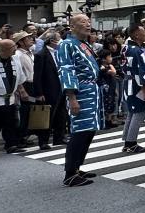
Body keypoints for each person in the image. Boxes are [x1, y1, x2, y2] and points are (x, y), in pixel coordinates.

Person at [55, 14, 104, 186]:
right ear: (72, 27)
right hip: (80, 92)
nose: (87, 25)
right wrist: (72, 97)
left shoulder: (84, 44)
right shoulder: (66, 45)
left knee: (89, 130)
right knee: (80, 131)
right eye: (82, 22)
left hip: (92, 90)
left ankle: (76, 166)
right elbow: (66, 71)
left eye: (88, 22)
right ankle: (70, 173)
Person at [0, 39, 27, 159]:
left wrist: (22, 90)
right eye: (14, 47)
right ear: (5, 49)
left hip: (10, 98)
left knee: (10, 123)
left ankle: (11, 145)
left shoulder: (15, 58)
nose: (16, 48)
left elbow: (19, 77)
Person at [33, 30, 68, 148]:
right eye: (59, 38)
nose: (61, 41)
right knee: (48, 115)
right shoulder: (41, 55)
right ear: (52, 41)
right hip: (48, 89)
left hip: (61, 87)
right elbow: (37, 76)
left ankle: (59, 137)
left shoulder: (60, 52)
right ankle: (43, 141)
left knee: (61, 114)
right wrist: (39, 93)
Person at [121, 22, 145, 154]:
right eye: (143, 31)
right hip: (136, 85)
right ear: (137, 35)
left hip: (128, 83)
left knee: (132, 113)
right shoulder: (137, 51)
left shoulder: (126, 48)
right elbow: (141, 71)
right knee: (138, 113)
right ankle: (131, 142)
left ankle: (127, 141)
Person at [11, 31, 38, 148]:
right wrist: (21, 90)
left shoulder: (30, 52)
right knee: (24, 112)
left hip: (32, 84)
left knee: (30, 112)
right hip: (24, 85)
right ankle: (20, 138)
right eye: (27, 38)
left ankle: (25, 135)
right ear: (20, 42)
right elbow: (17, 73)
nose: (31, 39)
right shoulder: (17, 54)